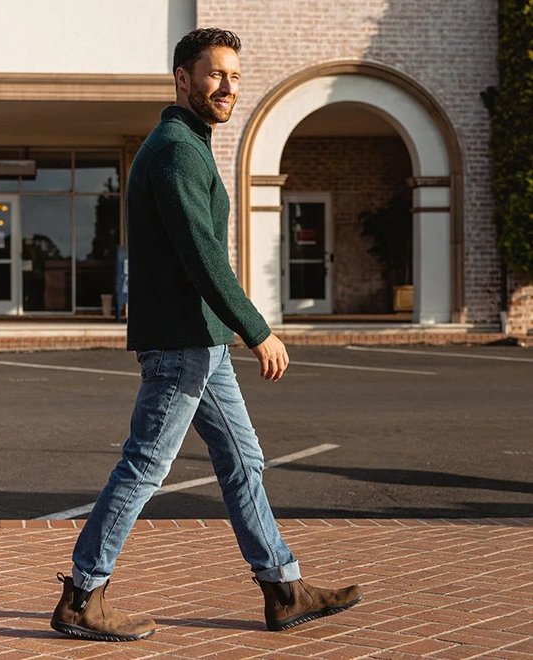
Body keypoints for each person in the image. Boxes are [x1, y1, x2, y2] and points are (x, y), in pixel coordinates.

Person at [51, 27, 362, 642]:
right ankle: (83, 596)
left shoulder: (188, 143)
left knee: (244, 461)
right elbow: (202, 255)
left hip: (202, 339)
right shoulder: (175, 149)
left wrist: (230, 332)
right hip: (183, 341)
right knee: (144, 466)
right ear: (183, 78)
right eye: (215, 74)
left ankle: (283, 588)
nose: (228, 87)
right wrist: (257, 330)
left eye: (235, 76)